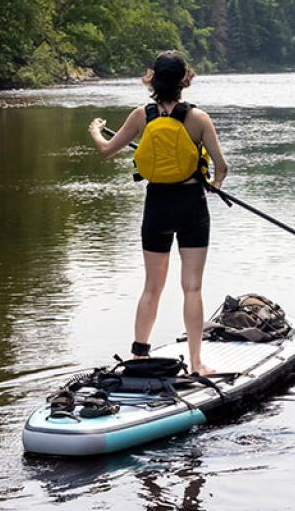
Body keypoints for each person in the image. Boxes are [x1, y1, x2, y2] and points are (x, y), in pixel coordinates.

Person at [88, 50, 228, 376]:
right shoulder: (199, 119)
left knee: (152, 287)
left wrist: (96, 128)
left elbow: (106, 150)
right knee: (191, 287)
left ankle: (138, 357)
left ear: (152, 78)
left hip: (157, 206)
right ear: (185, 80)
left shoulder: (142, 116)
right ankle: (196, 364)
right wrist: (216, 183)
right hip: (192, 205)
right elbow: (221, 167)